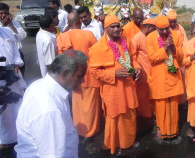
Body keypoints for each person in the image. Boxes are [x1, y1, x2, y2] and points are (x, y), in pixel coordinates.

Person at [15, 50, 88, 158]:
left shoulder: (39, 85)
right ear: (65, 74)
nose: (83, 81)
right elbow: (53, 155)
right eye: (80, 76)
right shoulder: (50, 110)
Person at [89, 15, 141, 155]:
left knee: (129, 115)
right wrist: (113, 74)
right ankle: (115, 144)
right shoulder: (97, 48)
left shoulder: (126, 42)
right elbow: (94, 71)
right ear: (105, 29)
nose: (116, 29)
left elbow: (134, 57)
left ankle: (128, 142)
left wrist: (137, 68)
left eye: (118, 26)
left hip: (128, 87)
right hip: (112, 90)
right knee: (115, 117)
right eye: (112, 26)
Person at [56, 12, 100, 144]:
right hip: (90, 74)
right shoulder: (88, 34)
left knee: (77, 104)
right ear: (79, 22)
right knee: (91, 105)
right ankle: (90, 131)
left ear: (68, 24)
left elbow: (61, 58)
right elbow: (97, 53)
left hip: (73, 76)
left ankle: (79, 129)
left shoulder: (62, 37)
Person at [0, 8, 25, 156]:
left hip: (13, 77)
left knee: (19, 108)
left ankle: (20, 137)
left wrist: (16, 66)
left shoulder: (6, 32)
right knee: (3, 114)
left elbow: (15, 51)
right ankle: (5, 142)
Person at [146, 15, 184, 143]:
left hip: (173, 77)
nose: (164, 32)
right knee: (161, 106)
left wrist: (173, 48)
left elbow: (180, 57)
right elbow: (152, 58)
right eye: (161, 29)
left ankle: (173, 132)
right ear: (156, 28)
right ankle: (161, 132)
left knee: (173, 106)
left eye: (166, 28)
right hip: (159, 78)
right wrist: (165, 48)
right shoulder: (150, 38)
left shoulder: (175, 35)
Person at [131, 18, 156, 119]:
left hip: (153, 73)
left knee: (152, 95)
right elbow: (132, 56)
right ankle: (144, 116)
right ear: (149, 27)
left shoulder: (151, 37)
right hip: (143, 74)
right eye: (154, 29)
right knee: (143, 97)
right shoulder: (137, 38)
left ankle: (151, 114)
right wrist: (137, 68)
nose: (155, 31)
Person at [0, 2, 27, 77]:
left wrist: (11, 25)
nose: (3, 15)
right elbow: (0, 39)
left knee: (20, 75)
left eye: (5, 13)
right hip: (3, 55)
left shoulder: (15, 23)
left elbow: (23, 36)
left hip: (18, 54)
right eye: (1, 13)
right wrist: (4, 26)